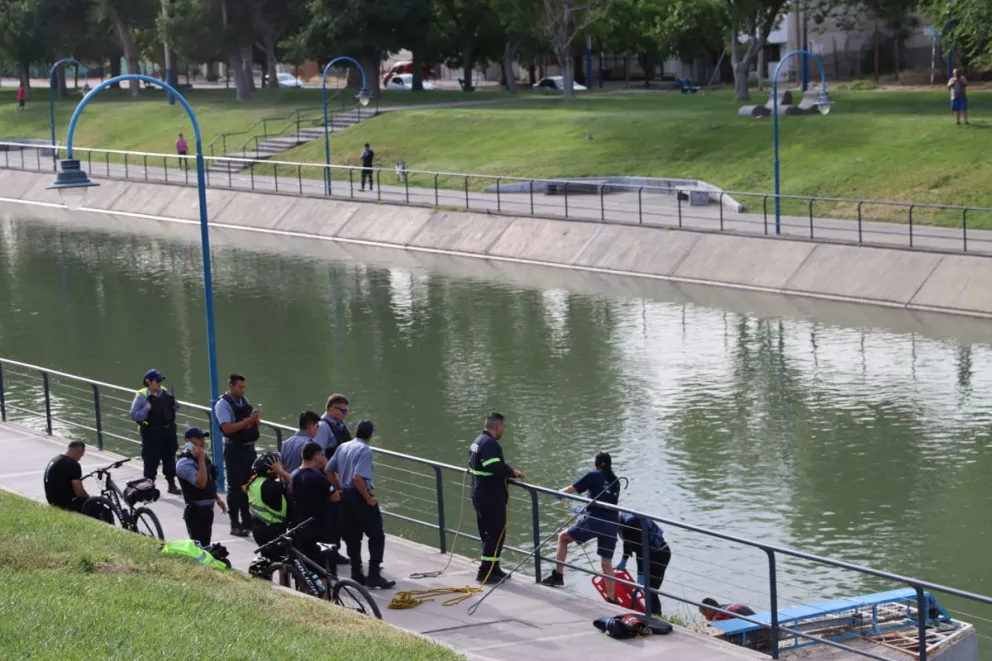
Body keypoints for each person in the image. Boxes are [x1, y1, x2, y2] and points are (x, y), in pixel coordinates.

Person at [541, 452, 621, 603]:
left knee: (563, 538)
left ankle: (558, 575)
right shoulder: (616, 481)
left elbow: (572, 489)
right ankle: (612, 599)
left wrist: (559, 493)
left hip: (594, 520)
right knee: (606, 562)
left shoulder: (594, 475)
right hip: (611, 525)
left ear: (597, 464)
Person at [329, 419, 395, 589]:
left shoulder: (343, 446)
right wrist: (368, 498)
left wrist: (338, 486)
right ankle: (374, 575)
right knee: (377, 535)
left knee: (352, 536)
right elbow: (358, 477)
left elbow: (328, 469)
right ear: (370, 434)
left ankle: (356, 573)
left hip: (345, 496)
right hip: (359, 496)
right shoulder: (365, 450)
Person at [468, 412, 525, 584]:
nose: (503, 430)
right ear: (498, 426)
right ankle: (485, 572)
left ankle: (494, 567)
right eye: (503, 427)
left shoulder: (478, 441)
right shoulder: (489, 443)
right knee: (495, 532)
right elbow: (492, 465)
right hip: (490, 495)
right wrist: (511, 472)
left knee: (489, 532)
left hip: (480, 492)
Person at [214, 373, 262, 537]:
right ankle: (234, 523)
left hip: (249, 448)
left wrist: (255, 420)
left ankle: (247, 519)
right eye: (240, 387)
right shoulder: (222, 404)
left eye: (244, 387)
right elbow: (227, 428)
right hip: (234, 449)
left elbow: (249, 422)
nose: (243, 390)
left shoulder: (244, 401)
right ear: (231, 386)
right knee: (235, 487)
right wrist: (249, 421)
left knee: (249, 484)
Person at [291, 441, 348, 570]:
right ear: (316, 457)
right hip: (321, 528)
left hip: (302, 525)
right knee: (325, 566)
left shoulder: (294, 474)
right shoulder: (318, 478)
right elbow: (335, 496)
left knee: (308, 565)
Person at [129, 368, 181, 495]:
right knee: (151, 460)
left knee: (170, 458)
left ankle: (171, 485)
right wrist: (147, 408)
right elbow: (134, 415)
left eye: (161, 380)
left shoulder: (164, 392)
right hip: (152, 432)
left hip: (168, 431)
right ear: (149, 382)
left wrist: (173, 402)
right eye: (157, 381)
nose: (160, 383)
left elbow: (177, 407)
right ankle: (149, 487)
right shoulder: (142, 396)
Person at [175, 427, 227, 546]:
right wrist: (201, 459)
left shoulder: (200, 456)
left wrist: (216, 498)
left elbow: (209, 480)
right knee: (199, 547)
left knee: (206, 544)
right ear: (187, 440)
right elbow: (201, 483)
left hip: (207, 510)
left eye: (203, 438)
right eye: (198, 438)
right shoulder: (184, 463)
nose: (202, 442)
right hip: (196, 512)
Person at [616, 512, 671, 617]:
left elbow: (641, 552)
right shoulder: (622, 521)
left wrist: (640, 574)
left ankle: (655, 617)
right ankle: (651, 614)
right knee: (649, 589)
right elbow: (627, 540)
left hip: (659, 554)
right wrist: (624, 559)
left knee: (651, 589)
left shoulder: (632, 523)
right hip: (649, 554)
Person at [245, 451, 293, 547]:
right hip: (273, 531)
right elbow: (296, 484)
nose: (282, 465)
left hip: (258, 529)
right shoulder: (272, 486)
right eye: (279, 464)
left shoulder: (254, 482)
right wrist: (281, 472)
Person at [44, 440, 89, 512]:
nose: (79, 459)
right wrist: (88, 498)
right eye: (80, 455)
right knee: (94, 505)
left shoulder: (54, 460)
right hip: (64, 502)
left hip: (51, 499)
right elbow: (79, 491)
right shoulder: (72, 464)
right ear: (77, 452)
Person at [313, 394, 352, 459]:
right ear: (332, 409)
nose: (345, 414)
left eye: (346, 411)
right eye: (343, 411)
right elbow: (319, 455)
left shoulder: (342, 424)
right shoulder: (322, 427)